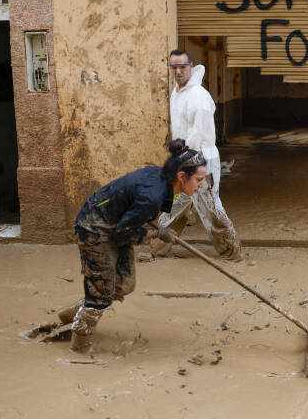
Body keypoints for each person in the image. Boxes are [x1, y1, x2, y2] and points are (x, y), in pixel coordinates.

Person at [64, 139, 207, 353]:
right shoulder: (152, 195)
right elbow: (125, 231)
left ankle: (73, 314)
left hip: (116, 224)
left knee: (125, 285)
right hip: (95, 227)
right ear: (181, 176)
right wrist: (158, 233)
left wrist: (156, 227)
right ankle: (78, 347)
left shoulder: (163, 179)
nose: (201, 185)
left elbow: (132, 216)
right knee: (101, 293)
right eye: (199, 179)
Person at [153, 49, 242, 260]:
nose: (178, 71)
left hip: (201, 160)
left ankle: (232, 251)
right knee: (175, 203)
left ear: (191, 66)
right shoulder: (178, 92)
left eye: (182, 67)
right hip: (184, 160)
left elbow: (198, 134)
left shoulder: (198, 96)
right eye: (174, 67)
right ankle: (159, 247)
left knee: (210, 207)